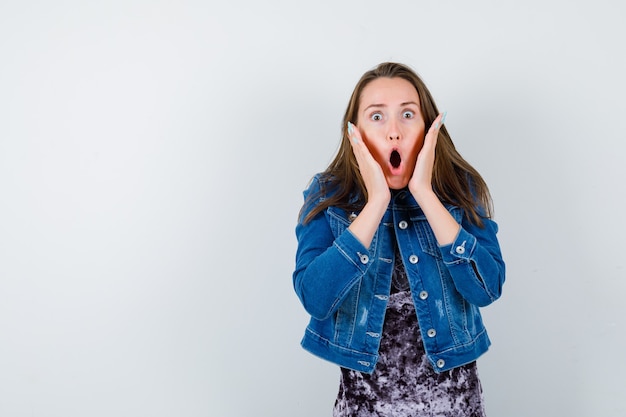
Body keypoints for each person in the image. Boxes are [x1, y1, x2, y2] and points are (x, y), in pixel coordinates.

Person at [292, 62, 505, 416]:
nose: (394, 131)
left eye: (408, 114)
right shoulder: (328, 195)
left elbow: (487, 288)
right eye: (377, 117)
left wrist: (424, 193)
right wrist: (376, 203)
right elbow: (315, 298)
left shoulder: (459, 190)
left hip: (456, 406)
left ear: (429, 127)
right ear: (354, 133)